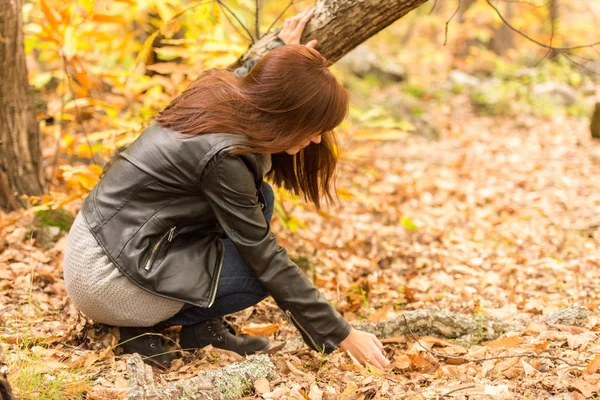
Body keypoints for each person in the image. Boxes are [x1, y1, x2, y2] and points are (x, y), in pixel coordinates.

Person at [62, 7, 390, 370]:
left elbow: (248, 76)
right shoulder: (224, 158)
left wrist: (283, 51)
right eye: (312, 126)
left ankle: (197, 329)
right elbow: (265, 257)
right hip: (105, 278)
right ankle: (137, 326)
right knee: (257, 273)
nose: (315, 140)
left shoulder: (218, 91)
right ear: (285, 111)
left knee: (261, 198)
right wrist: (341, 333)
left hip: (99, 242)